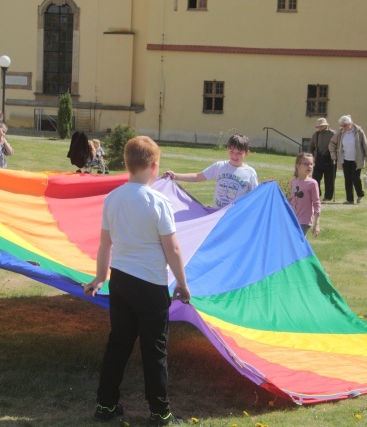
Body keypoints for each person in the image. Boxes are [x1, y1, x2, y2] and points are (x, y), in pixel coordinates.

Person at [83, 136, 191, 426]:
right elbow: (174, 249)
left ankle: (105, 405)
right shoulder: (158, 201)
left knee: (118, 344)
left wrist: (99, 277)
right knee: (154, 350)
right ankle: (159, 412)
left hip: (120, 284)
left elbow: (105, 245)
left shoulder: (113, 198)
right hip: (151, 287)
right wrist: (181, 283)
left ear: (128, 165)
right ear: (154, 166)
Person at [165, 133, 259, 208]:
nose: (235, 156)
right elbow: (198, 177)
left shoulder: (250, 173)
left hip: (235, 217)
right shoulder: (220, 166)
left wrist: (267, 185)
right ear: (227, 150)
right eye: (231, 152)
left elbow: (257, 195)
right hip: (216, 215)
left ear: (246, 153)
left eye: (239, 153)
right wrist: (176, 176)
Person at [329, 115, 367, 205]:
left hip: (357, 159)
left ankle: (360, 194)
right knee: (347, 179)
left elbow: (365, 144)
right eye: (341, 125)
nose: (343, 127)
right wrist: (333, 154)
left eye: (344, 125)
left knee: (355, 178)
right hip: (345, 159)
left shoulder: (358, 131)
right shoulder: (340, 132)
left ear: (350, 124)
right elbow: (332, 143)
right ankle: (349, 199)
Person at [289, 152, 321, 237]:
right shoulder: (293, 182)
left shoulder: (312, 183)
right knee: (297, 245)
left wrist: (316, 224)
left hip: (305, 221)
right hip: (293, 219)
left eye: (311, 164)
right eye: (306, 164)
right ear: (298, 165)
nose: (309, 166)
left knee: (297, 242)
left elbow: (317, 203)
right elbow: (292, 199)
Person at [308, 117, 336, 202]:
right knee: (315, 178)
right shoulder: (315, 134)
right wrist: (311, 158)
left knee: (329, 180)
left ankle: (328, 197)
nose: (319, 128)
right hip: (318, 159)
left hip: (330, 160)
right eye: (318, 126)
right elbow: (311, 147)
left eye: (320, 126)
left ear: (325, 125)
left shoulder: (333, 134)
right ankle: (317, 195)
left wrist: (335, 155)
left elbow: (337, 146)